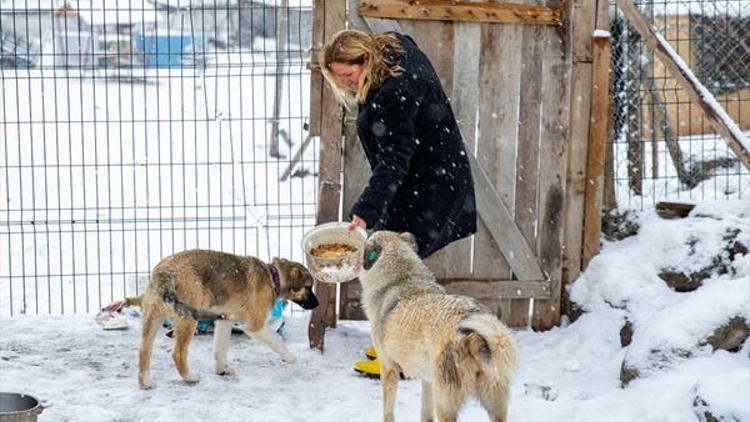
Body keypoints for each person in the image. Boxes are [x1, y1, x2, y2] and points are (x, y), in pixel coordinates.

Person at [320, 29, 477, 376]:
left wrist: (365, 211)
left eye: (349, 75)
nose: (346, 84)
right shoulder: (393, 46)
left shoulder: (395, 91)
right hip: (422, 177)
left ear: (365, 58)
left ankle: (403, 352)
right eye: (338, 77)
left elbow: (395, 159)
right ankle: (401, 344)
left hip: (429, 183)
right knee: (400, 262)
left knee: (401, 265)